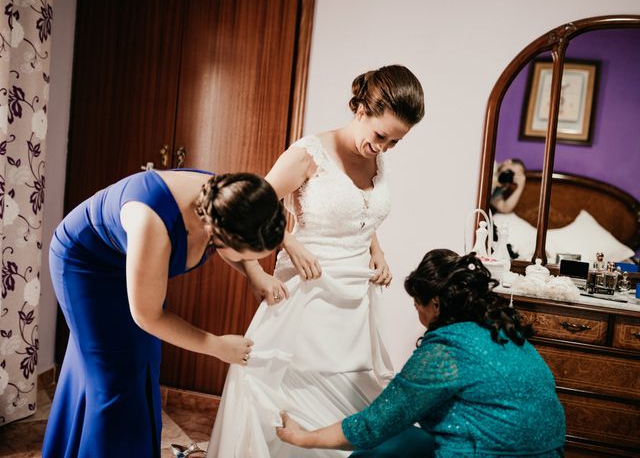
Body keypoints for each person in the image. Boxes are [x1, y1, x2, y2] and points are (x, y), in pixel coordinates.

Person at [207, 65, 425, 457]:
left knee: (352, 391)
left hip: (355, 298)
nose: (383, 148)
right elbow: (252, 208)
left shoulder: (377, 159)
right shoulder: (309, 154)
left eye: (395, 142)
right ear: (361, 109)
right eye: (380, 136)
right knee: (289, 389)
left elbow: (359, 209)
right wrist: (287, 241)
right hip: (306, 292)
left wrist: (376, 247)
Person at [42, 169, 286, 457]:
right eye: (246, 254)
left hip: (133, 260)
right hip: (86, 265)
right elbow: (148, 317)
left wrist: (255, 273)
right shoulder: (154, 222)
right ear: (220, 234)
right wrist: (216, 345)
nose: (249, 261)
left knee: (142, 362)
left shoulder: (230, 199)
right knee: (113, 379)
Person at [276, 249, 566, 457]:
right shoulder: (501, 331)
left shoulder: (446, 351)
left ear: (436, 304)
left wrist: (304, 438)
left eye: (418, 306)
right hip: (548, 451)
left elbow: (372, 425)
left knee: (370, 452)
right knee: (404, 439)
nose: (417, 313)